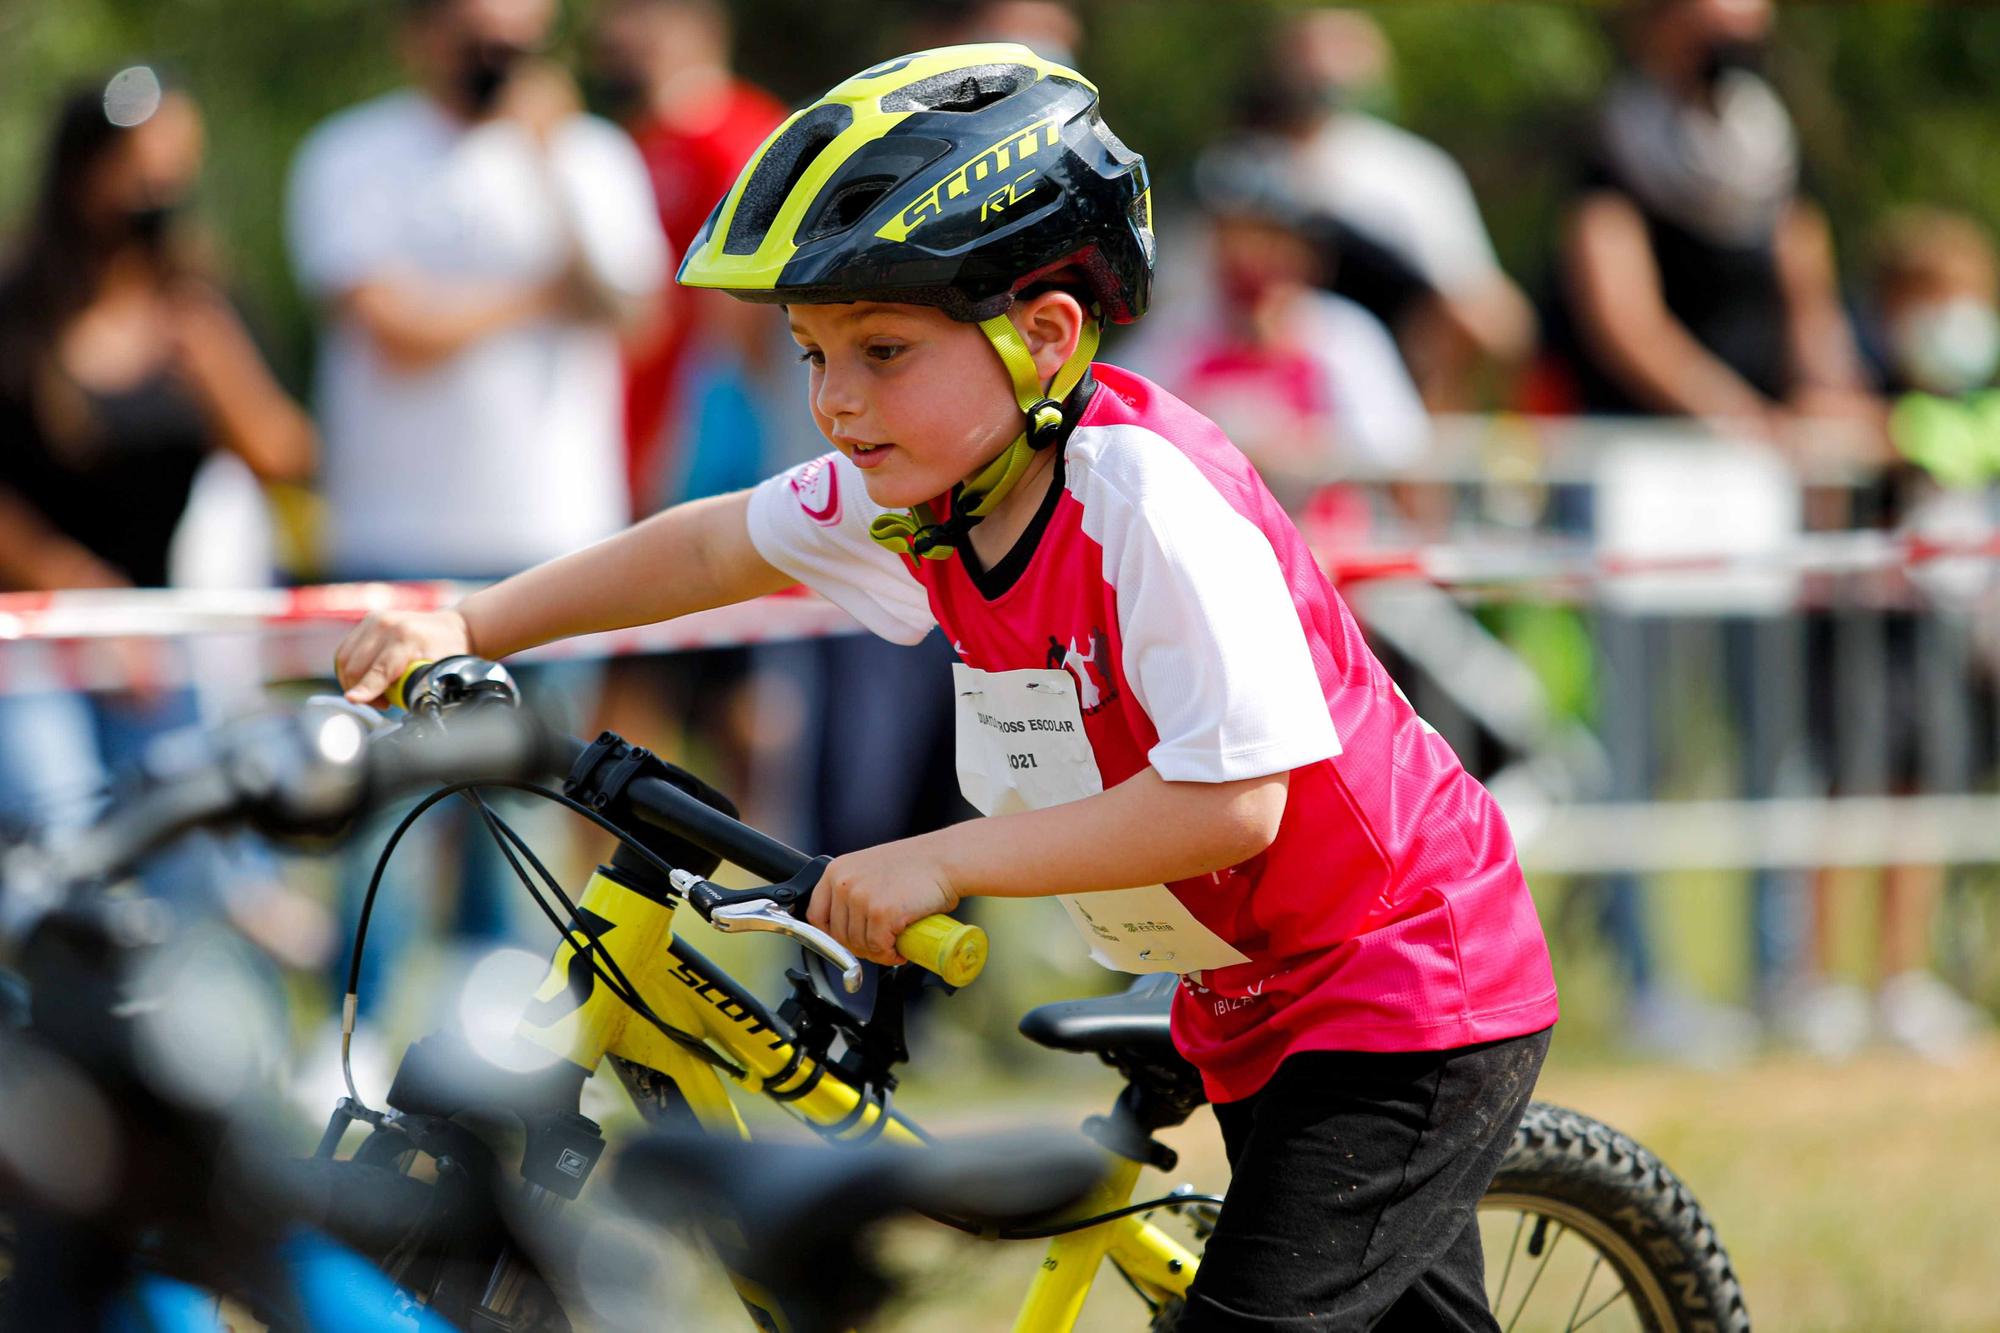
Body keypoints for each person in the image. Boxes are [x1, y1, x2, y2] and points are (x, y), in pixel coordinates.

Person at [335, 46, 1558, 1327]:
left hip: (1399, 973)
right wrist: (472, 617)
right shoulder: (932, 483)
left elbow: (1236, 801)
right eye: (810, 353)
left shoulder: (1141, 498)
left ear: (1044, 336)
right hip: (1247, 975)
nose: (834, 402)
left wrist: (944, 858)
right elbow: (710, 545)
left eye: (880, 350)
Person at [285, 0, 668, 1042]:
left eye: (517, 40)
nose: (496, 60)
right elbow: (389, 324)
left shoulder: (586, 158)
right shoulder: (353, 152)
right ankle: (349, 1036)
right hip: (394, 543)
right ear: (416, 33)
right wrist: (538, 291)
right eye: (473, 36)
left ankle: (489, 1045)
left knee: (527, 822)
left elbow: (635, 312)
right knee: (382, 823)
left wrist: (548, 176)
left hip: (548, 544)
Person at [0, 67, 316, 903]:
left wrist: (221, 374)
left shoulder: (200, 300)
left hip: (153, 637)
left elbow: (285, 456)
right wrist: (78, 591)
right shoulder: (17, 304)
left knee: (181, 853)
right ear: (82, 167)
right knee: (55, 836)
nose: (158, 186)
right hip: (25, 641)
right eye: (139, 163)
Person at [1251, 9, 1536, 409]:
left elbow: (1481, 307)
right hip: (1269, 372)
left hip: (1400, 377)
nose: (1323, 74)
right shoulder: (1236, 170)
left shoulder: (1411, 171)